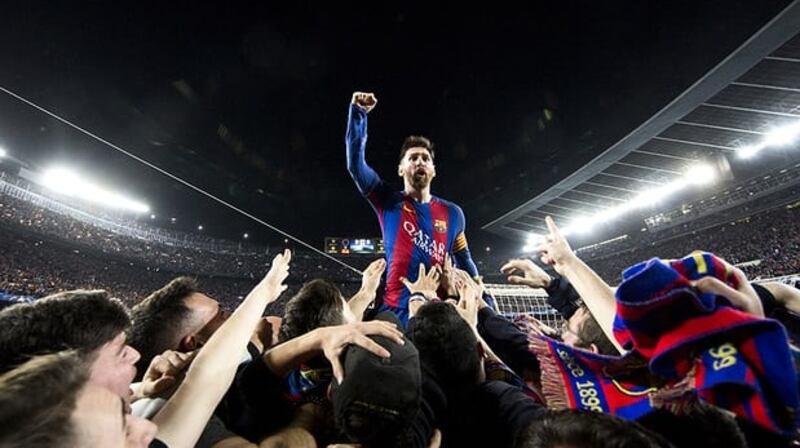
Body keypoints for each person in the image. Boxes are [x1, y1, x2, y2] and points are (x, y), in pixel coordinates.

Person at [345, 91, 488, 324]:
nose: (419, 161)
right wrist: (359, 115)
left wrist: (483, 295)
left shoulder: (454, 214)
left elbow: (464, 258)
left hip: (437, 312)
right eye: (412, 158)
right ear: (401, 169)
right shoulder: (387, 201)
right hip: (393, 311)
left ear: (433, 170)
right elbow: (355, 165)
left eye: (425, 158)